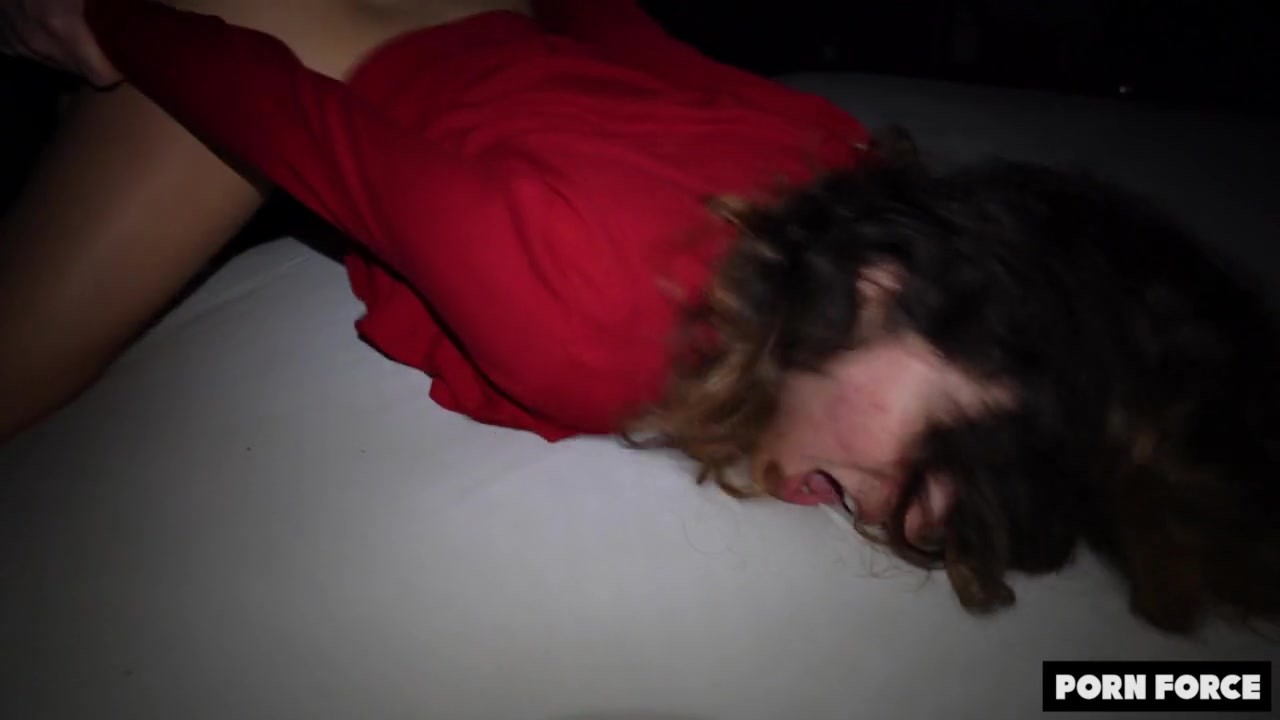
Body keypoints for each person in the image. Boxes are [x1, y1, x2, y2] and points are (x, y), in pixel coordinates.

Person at [5, 0, 1278, 635]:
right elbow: (307, 134)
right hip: (270, 35)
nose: (919, 526)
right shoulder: (587, 323)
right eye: (960, 466)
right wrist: (115, 29)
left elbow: (622, 41)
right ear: (900, 290)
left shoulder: (847, 174)